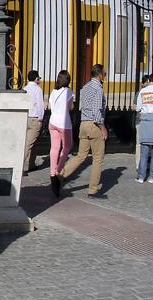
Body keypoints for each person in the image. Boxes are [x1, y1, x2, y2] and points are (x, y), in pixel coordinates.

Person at [61, 64, 108, 199]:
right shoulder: (98, 89)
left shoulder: (85, 88)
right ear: (99, 75)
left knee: (81, 155)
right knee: (98, 158)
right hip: (94, 125)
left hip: (84, 124)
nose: (104, 76)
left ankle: (61, 175)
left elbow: (82, 106)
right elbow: (97, 110)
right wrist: (103, 128)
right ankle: (93, 190)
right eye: (104, 74)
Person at [47, 70, 74, 198]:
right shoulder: (69, 91)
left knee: (54, 148)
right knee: (67, 146)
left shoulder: (53, 91)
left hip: (52, 121)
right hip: (64, 123)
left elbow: (50, 106)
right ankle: (58, 170)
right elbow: (70, 107)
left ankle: (52, 173)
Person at [23, 70, 45, 175]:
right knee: (28, 144)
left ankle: (31, 164)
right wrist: (41, 118)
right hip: (34, 118)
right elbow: (40, 105)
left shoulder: (24, 89)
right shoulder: (38, 90)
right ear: (36, 79)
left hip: (25, 117)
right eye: (39, 78)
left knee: (32, 142)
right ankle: (21, 166)